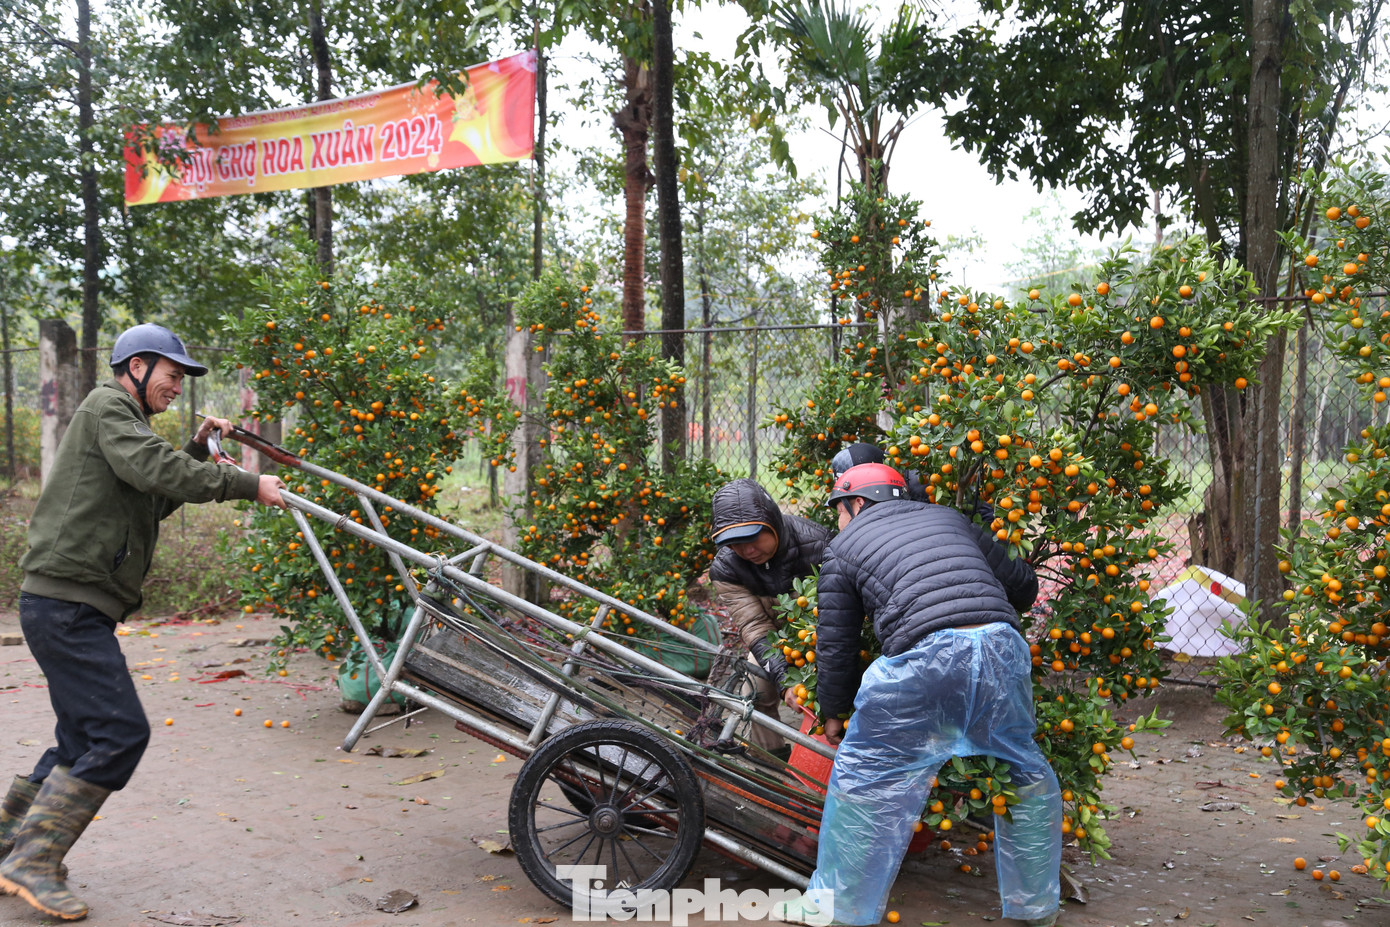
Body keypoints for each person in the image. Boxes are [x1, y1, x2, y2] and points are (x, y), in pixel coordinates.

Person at [0, 323, 287, 921]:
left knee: (81, 738)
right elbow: (155, 470)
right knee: (120, 733)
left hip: (68, 605)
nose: (177, 387)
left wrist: (198, 449)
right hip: (67, 606)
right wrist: (246, 483)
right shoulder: (107, 407)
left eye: (180, 379)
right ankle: (32, 860)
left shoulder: (125, 424)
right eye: (171, 374)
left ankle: (8, 842)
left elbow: (154, 495)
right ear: (136, 366)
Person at [774, 463, 1059, 927]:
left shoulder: (842, 548)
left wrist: (834, 712)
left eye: (839, 511)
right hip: (1001, 649)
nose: (839, 522)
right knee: (1022, 770)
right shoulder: (949, 517)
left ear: (857, 503)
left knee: (866, 777)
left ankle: (835, 909)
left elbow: (837, 644)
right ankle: (1036, 908)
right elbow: (1024, 589)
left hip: (925, 658)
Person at [708, 478, 829, 758]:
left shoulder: (819, 545)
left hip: (823, 637)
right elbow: (755, 627)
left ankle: (829, 765)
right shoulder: (727, 568)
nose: (747, 551)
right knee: (755, 692)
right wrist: (785, 680)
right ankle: (770, 761)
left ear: (772, 523)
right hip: (776, 640)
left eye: (752, 539)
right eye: (735, 544)